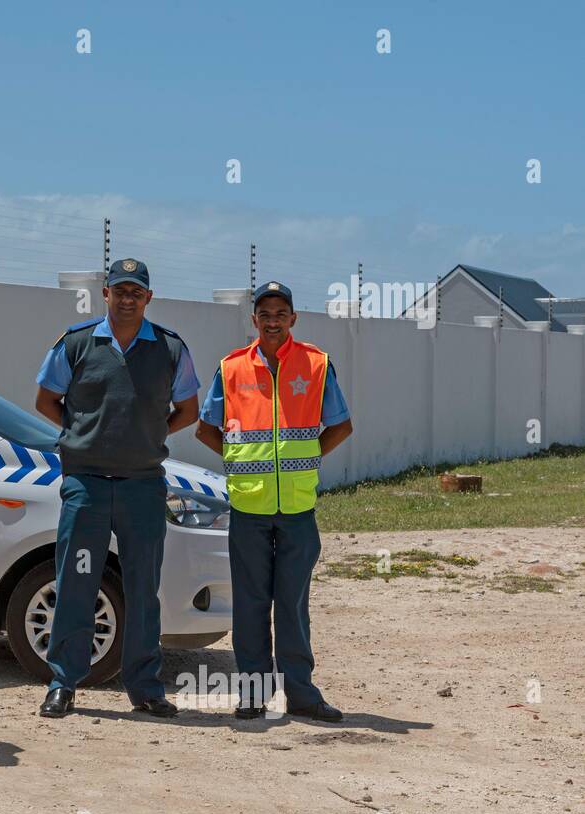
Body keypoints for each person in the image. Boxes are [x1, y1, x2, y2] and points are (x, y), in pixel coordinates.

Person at [33, 258, 200, 718]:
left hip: (142, 487)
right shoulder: (78, 343)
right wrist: (83, 433)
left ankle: (145, 687)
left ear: (148, 298)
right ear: (104, 293)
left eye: (136, 292)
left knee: (143, 587)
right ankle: (63, 683)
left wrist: (150, 434)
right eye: (119, 290)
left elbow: (189, 409)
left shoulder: (169, 348)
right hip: (86, 485)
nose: (127, 299)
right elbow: (46, 400)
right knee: (77, 582)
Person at [194, 281, 353, 722]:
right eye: (265, 313)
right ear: (255, 321)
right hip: (249, 509)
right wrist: (239, 457)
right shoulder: (231, 368)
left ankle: (300, 695)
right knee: (249, 604)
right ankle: (252, 695)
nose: (273, 320)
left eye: (280, 313)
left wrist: (306, 457)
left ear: (293, 318)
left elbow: (341, 425)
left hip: (298, 509)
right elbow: (206, 429)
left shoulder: (316, 364)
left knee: (292, 604)